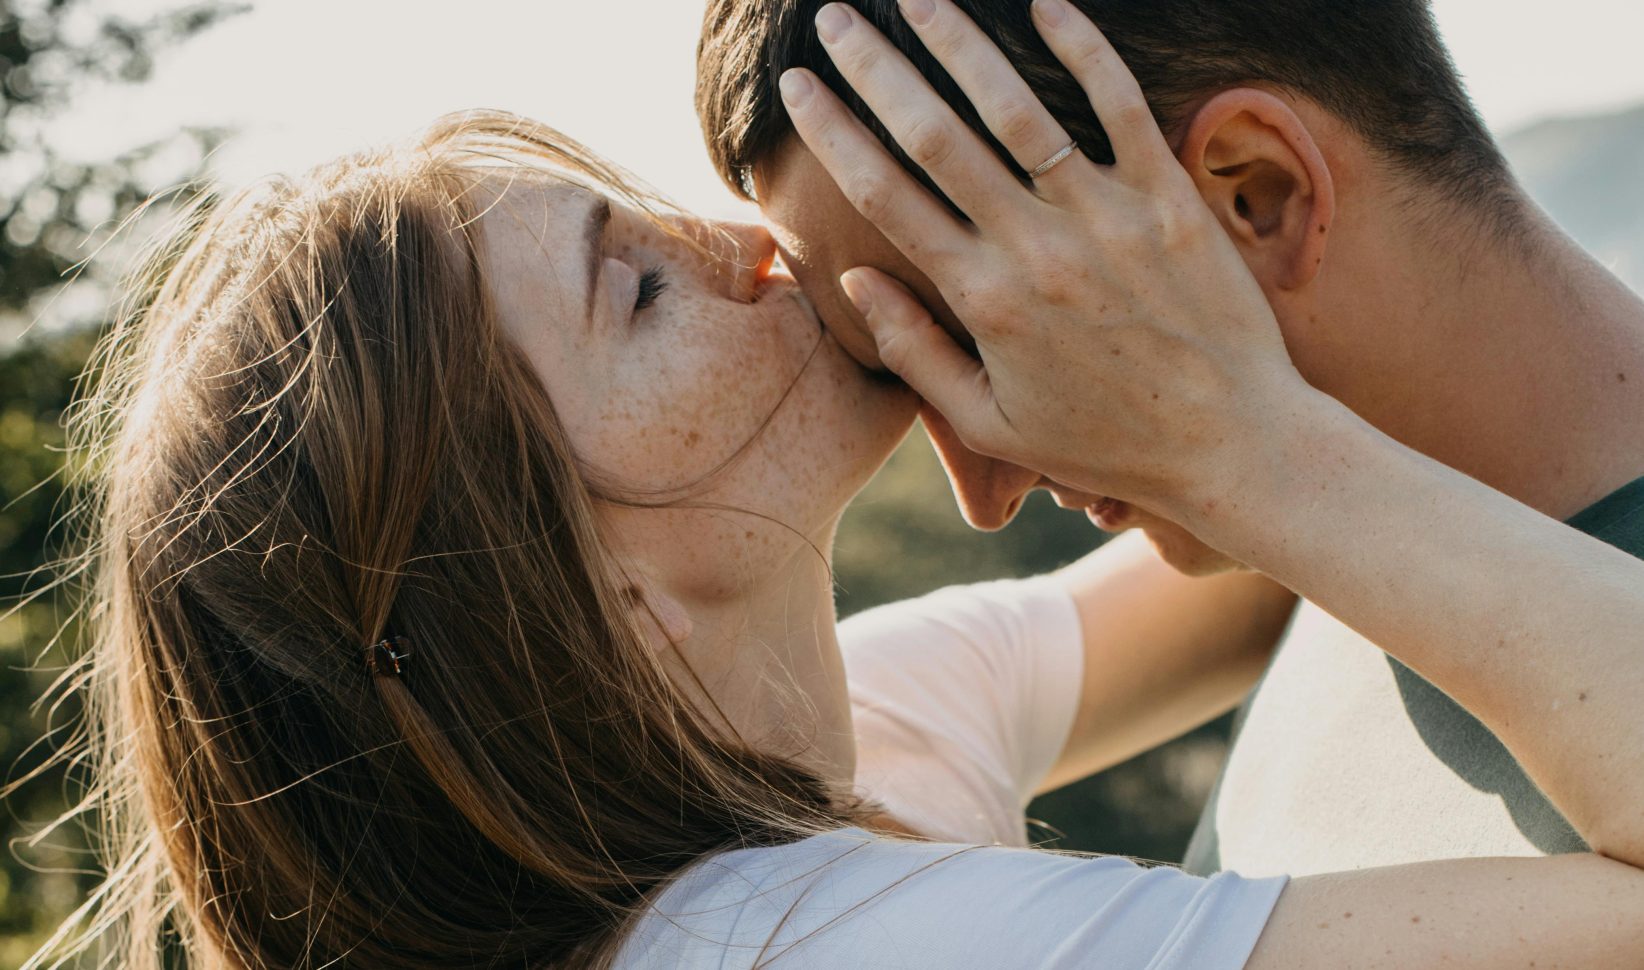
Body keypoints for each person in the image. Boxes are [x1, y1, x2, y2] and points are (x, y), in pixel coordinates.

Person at [33, 78, 1644, 970]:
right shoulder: (805, 953)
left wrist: (1169, 393)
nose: (745, 247)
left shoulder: (827, 754)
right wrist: (1239, 437)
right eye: (640, 286)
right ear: (570, 592)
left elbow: (1247, 584)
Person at [696, 0, 1644, 876]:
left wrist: (1248, 459)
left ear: (1258, 195)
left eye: (986, 336)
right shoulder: (1304, 554)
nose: (982, 499)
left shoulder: (1288, 493)